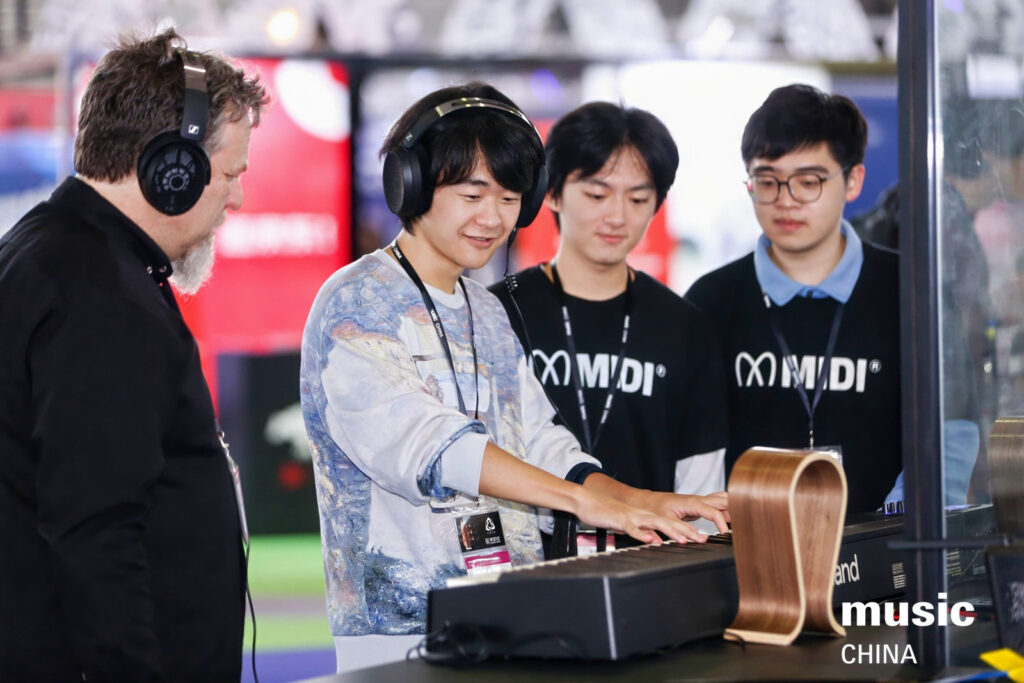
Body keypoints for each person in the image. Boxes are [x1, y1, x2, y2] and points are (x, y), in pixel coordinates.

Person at [300, 82, 729, 674]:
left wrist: (640, 501)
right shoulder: (355, 302)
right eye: (472, 193)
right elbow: (435, 448)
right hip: (398, 638)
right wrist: (586, 504)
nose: (493, 218)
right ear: (413, 184)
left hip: (509, 620)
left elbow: (543, 441)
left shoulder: (488, 310)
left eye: (508, 198)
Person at [0, 28, 267, 680]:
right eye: (229, 174)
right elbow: (97, 530)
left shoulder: (61, 253)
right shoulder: (97, 292)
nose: (235, 199)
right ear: (171, 171)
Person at [489, 102, 728, 545]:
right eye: (597, 195)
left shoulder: (685, 327)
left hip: (646, 576)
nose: (617, 215)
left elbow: (699, 486)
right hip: (516, 573)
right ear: (553, 194)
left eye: (638, 198)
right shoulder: (497, 313)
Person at [685, 84, 901, 515]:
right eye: (767, 181)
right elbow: (690, 446)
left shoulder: (907, 291)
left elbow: (952, 427)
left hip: (885, 555)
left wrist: (908, 522)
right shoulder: (710, 302)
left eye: (808, 182)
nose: (785, 201)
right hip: (744, 553)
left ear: (853, 180)